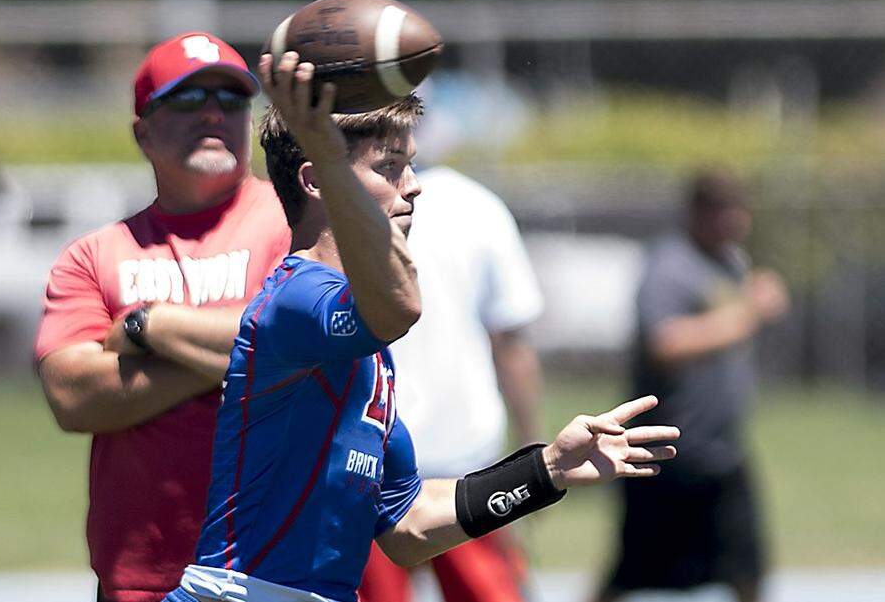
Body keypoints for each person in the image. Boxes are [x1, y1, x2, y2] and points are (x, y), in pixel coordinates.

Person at [156, 51, 681, 602]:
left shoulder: (366, 352)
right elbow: (399, 308)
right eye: (388, 167)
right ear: (316, 180)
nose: (414, 185)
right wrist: (338, 169)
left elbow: (405, 525)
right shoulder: (297, 300)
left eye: (411, 164)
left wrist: (548, 469)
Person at [34, 32, 291, 602]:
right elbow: (74, 398)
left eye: (230, 100)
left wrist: (145, 327)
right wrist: (240, 358)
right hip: (141, 579)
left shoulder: (296, 226)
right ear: (142, 131)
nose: (212, 113)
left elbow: (304, 347)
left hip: (274, 573)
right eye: (187, 98)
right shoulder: (95, 255)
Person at [593, 168, 788, 602]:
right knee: (630, 573)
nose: (736, 223)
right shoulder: (670, 265)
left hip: (723, 450)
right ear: (699, 212)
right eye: (725, 213)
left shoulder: (731, 262)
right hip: (669, 452)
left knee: (747, 569)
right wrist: (749, 314)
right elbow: (667, 341)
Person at [359, 165, 546, 602]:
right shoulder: (476, 204)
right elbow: (511, 340)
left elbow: (510, 338)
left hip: (445, 459)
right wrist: (530, 440)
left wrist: (531, 453)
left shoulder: (473, 206)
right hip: (390, 459)